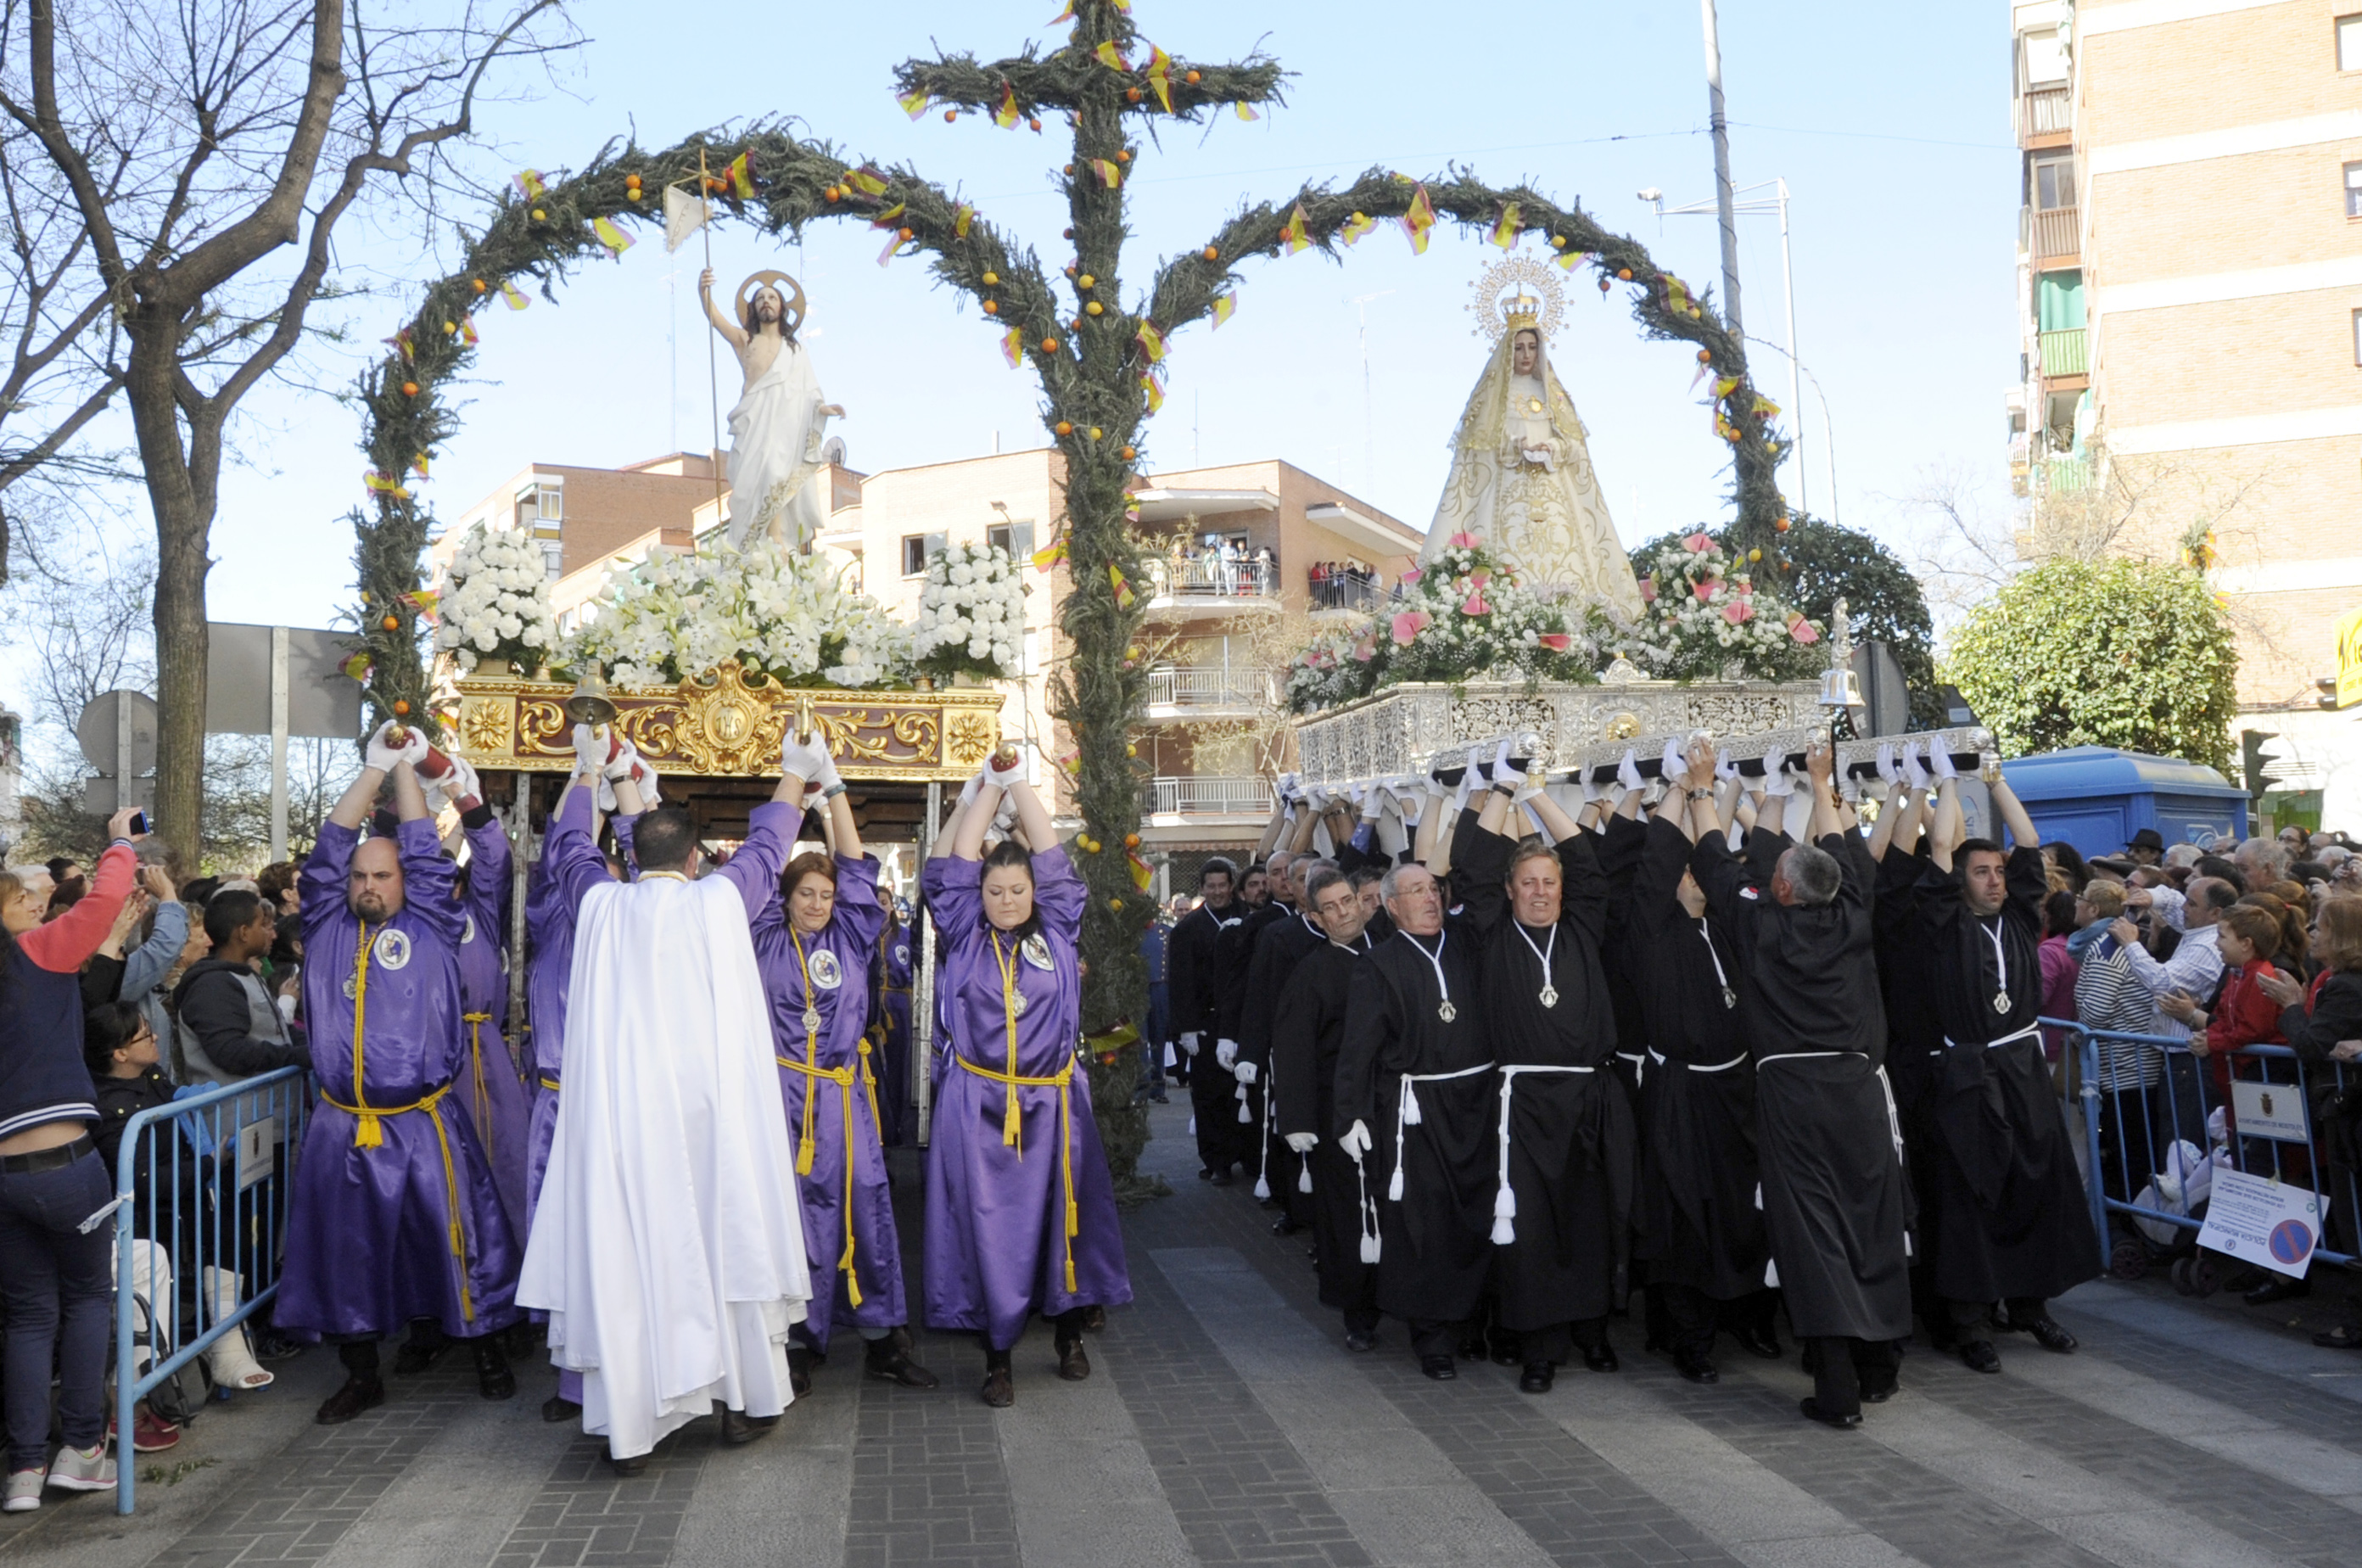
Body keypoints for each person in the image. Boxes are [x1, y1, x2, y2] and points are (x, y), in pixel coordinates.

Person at [520, 724, 813, 1472]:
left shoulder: (600, 906)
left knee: (631, 1258)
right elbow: (769, 846)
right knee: (724, 1249)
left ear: (632, 857)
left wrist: (592, 771)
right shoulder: (718, 900)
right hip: (710, 1123)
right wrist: (795, 769)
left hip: (624, 1130)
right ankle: (746, 1403)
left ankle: (631, 1426)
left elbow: (569, 851)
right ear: (692, 858)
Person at [280, 723, 523, 1424]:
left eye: (380, 875)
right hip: (341, 1124)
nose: (367, 885)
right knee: (344, 1251)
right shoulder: (325, 923)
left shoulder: (434, 926)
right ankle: (361, 1373)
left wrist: (409, 770)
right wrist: (371, 771)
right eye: (360, 875)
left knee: (456, 1239)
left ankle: (485, 1351)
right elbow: (326, 854)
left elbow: (425, 853)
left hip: (423, 1121)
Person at [1684, 740, 1912, 1429]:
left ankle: (1838, 1387)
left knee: (1812, 1232)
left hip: (1792, 1097)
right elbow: (1845, 853)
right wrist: (1820, 781)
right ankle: (1880, 1367)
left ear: (1781, 890)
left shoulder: (1760, 927)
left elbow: (1715, 864)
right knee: (1872, 1222)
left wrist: (1701, 789)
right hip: (1859, 1090)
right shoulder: (1853, 917)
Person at [921, 749, 1132, 1405]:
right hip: (977, 1103)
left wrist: (1020, 783)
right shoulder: (960, 928)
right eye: (995, 891)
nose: (1007, 900)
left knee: (1061, 1220)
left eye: (1017, 891)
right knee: (989, 1231)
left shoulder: (1059, 926)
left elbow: (1052, 854)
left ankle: (1068, 1336)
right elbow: (953, 865)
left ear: (1035, 892)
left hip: (1052, 1102)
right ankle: (998, 1358)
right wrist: (986, 784)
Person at [749, 738, 936, 1393]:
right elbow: (761, 860)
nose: (818, 903)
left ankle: (885, 1340)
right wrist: (793, 782)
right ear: (786, 896)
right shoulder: (761, 935)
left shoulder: (852, 933)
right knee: (793, 1217)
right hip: (780, 1097)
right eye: (806, 892)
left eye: (826, 894)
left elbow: (858, 864)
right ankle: (799, 1342)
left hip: (843, 1095)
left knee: (866, 1207)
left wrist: (833, 791)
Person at [1450, 742, 1632, 1393]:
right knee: (1528, 1227)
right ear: (1510, 891)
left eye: (1547, 883)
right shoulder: (1491, 934)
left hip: (1587, 1098)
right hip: (1521, 1103)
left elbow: (1586, 862)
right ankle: (1537, 1346)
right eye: (1527, 882)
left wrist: (1535, 793)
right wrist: (1500, 790)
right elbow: (1470, 869)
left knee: (1589, 1219)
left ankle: (1591, 1332)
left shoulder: (1583, 927)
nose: (1540, 892)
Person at [1910, 763, 2096, 1369]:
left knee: (2034, 1183)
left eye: (1997, 872)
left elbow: (2031, 842)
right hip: (1968, 1075)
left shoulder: (2019, 917)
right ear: (1959, 880)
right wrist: (1941, 778)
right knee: (1970, 1195)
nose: (1994, 881)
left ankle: (2030, 1305)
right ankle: (1969, 1322)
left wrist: (1993, 782)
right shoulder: (1940, 925)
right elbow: (1941, 844)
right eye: (1981, 872)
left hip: (2021, 1067)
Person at [0, 819, 141, 1512]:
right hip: (64, 1163)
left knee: (28, 1318)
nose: (35, 901)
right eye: (20, 893)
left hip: (2, 1179)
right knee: (88, 1301)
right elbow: (109, 899)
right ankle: (82, 1449)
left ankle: (24, 1469)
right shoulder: (38, 954)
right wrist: (121, 840)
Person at [1624, 758, 1777, 1385]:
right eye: (1681, 870)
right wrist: (1682, 792)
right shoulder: (1651, 932)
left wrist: (1734, 789)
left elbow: (1746, 860)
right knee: (1684, 1213)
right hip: (1681, 1091)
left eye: (1698, 869)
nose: (1691, 875)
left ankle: (1748, 1316)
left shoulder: (1731, 928)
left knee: (1745, 1208)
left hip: (1737, 1087)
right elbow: (1658, 859)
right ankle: (1687, 1334)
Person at [519, 730, 642, 1427]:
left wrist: (622, 786)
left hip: (617, 1113)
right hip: (561, 1104)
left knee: (618, 1247)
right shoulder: (562, 915)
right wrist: (588, 775)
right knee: (568, 1246)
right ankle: (571, 1374)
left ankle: (619, 1367)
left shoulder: (635, 917)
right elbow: (565, 852)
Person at [1334, 857, 1495, 1380]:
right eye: (1417, 892)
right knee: (1426, 1226)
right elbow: (1357, 1049)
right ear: (1393, 906)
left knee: (1474, 1215)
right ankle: (1433, 1336)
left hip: (1476, 1105)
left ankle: (1470, 1321)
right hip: (1416, 1115)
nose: (1431, 899)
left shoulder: (1469, 946)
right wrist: (1351, 1115)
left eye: (1434, 889)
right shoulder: (1377, 965)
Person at [86, 1002, 277, 1400]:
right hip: (147, 1210)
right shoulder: (109, 1107)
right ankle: (194, 1359)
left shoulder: (149, 1073)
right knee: (213, 1223)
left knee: (233, 1218)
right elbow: (144, 1180)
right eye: (144, 1034)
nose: (155, 1036)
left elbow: (171, 1106)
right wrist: (210, 1162)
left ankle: (226, 1337)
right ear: (119, 1053)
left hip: (184, 1189)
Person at [1419, 311, 1645, 615]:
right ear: (1507, 351)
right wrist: (1514, 447)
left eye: (1532, 347)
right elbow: (1477, 450)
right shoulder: (1493, 396)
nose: (1526, 354)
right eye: (1518, 347)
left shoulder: (1553, 394)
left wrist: (1553, 448)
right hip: (1507, 494)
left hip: (1554, 498)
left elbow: (1576, 445)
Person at [1273, 866, 1381, 1347]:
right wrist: (1296, 1120)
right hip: (1337, 1115)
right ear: (1315, 918)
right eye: (1330, 908)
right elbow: (1292, 1048)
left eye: (1348, 901)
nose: (1343, 913)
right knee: (1347, 1215)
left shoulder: (1390, 951)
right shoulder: (1312, 972)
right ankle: (1358, 1314)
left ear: (1361, 902)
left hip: (1395, 1108)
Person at [437, 757, 533, 1241]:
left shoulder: (481, 912)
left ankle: (507, 1264)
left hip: (488, 1054)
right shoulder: (419, 923)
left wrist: (465, 803)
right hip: (439, 1054)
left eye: (450, 874)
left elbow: (496, 860)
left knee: (506, 1159)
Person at [698, 266, 843, 549]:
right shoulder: (745, 341)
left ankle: (777, 543)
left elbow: (810, 391)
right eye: (760, 298)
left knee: (775, 474)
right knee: (754, 481)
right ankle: (759, 544)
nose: (766, 301)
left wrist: (823, 409)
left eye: (773, 297)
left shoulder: (796, 351)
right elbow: (715, 319)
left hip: (785, 428)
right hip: (754, 425)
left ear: (782, 307)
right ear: (753, 308)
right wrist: (702, 290)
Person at [1169, 857, 1248, 1182]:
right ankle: (1217, 1160)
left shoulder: (1248, 918)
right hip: (1205, 1023)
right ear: (1202, 888)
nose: (1217, 892)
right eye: (1210, 886)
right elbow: (1180, 981)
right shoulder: (1188, 928)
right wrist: (1185, 1028)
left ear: (1232, 886)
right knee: (1209, 1095)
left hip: (1243, 1020)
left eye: (1222, 885)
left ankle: (1247, 1155)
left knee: (1241, 1092)